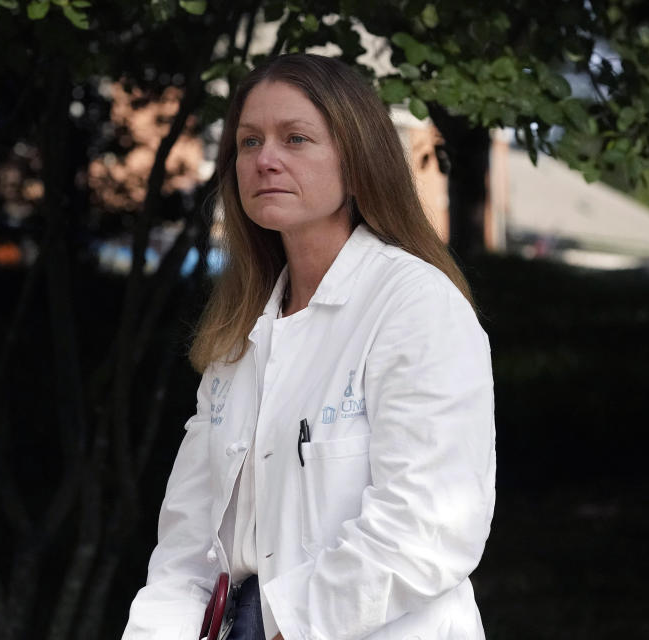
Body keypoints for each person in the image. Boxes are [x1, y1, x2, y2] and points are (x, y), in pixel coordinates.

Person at [122, 53, 496, 640]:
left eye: (296, 138)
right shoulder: (238, 332)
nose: (266, 160)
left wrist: (271, 625)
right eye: (249, 142)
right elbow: (187, 552)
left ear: (357, 159)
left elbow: (428, 529)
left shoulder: (416, 306)